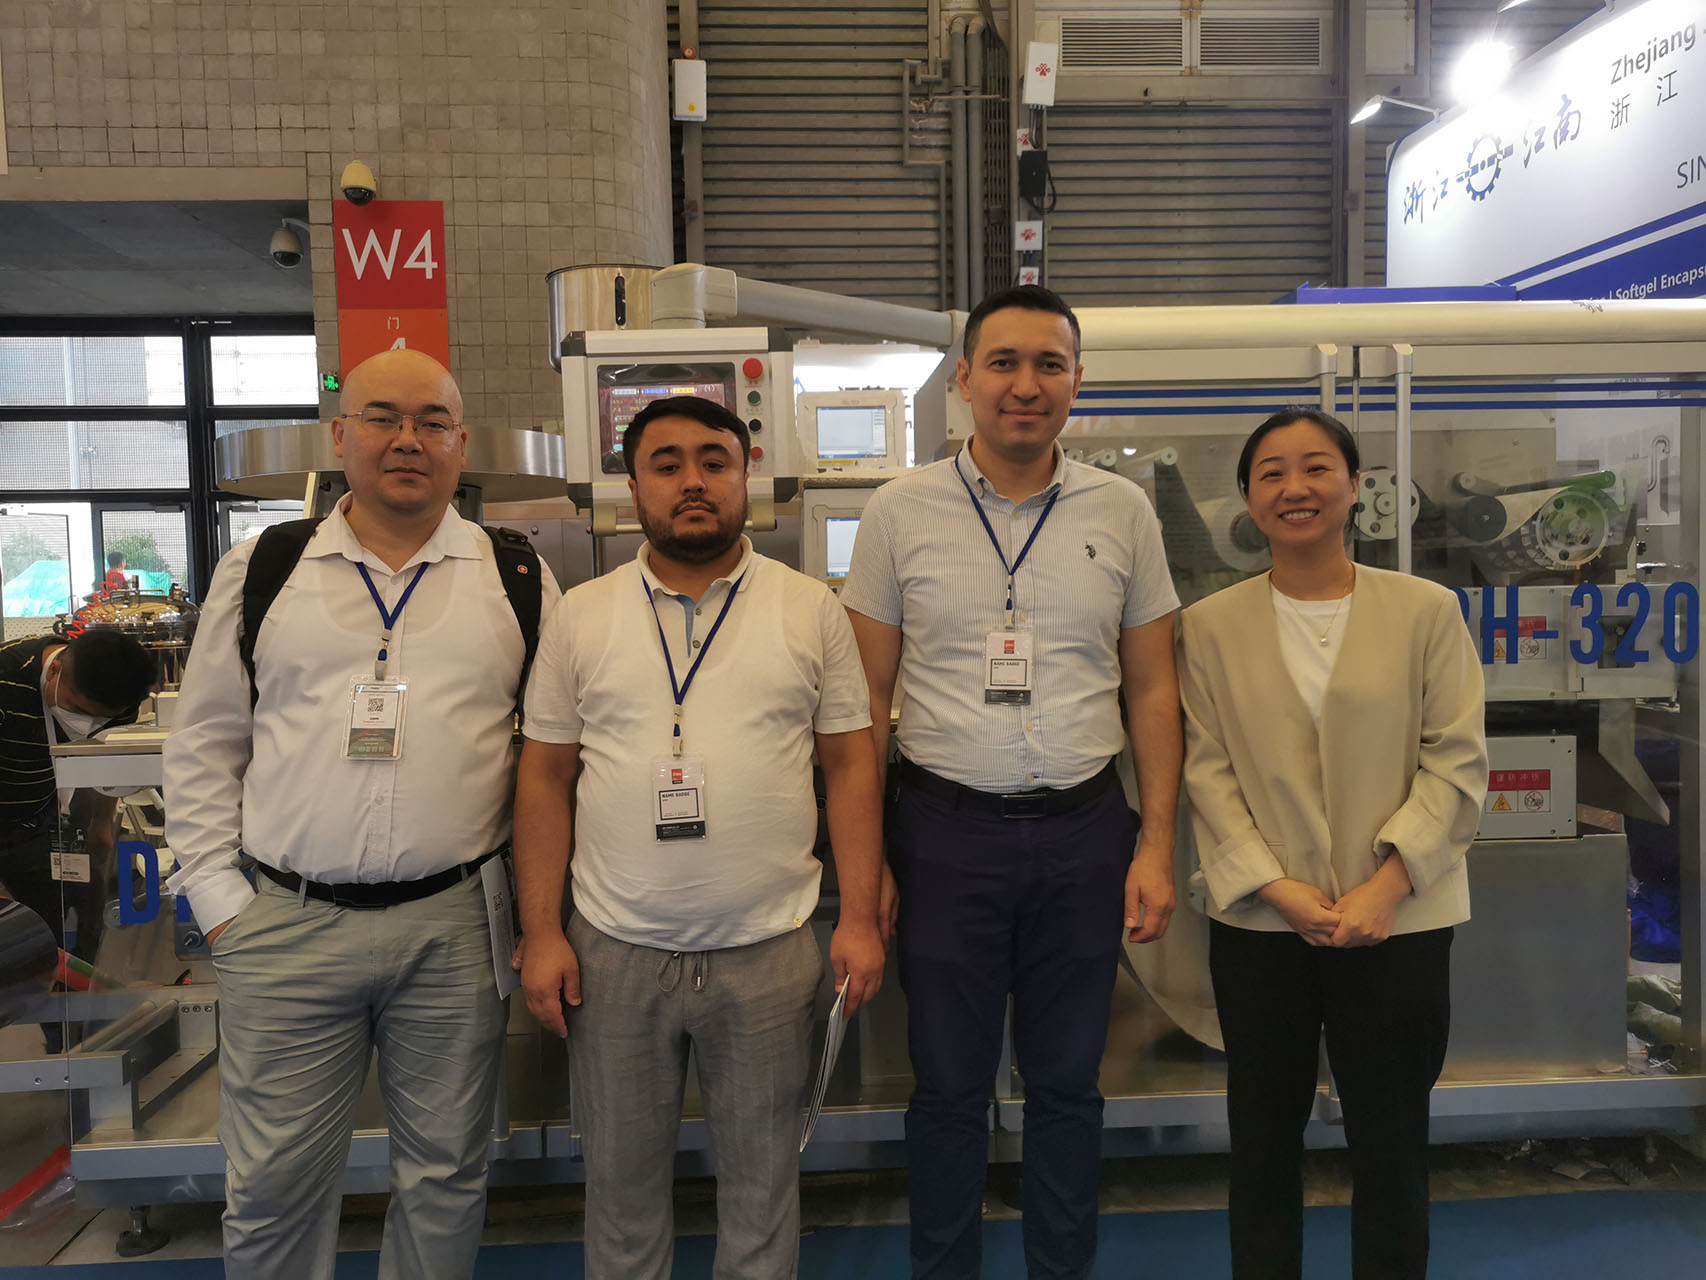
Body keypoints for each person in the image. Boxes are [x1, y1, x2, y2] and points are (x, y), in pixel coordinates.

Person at [164, 348, 559, 1280]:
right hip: (286, 925)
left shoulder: (516, 574)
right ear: (341, 435)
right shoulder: (266, 567)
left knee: (447, 1177)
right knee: (272, 1185)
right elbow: (206, 740)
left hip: (454, 927)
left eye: (432, 422)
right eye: (383, 417)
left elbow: (550, 756)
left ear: (461, 445)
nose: (407, 440)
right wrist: (220, 902)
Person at [840, 284, 1183, 1279]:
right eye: (1003, 362)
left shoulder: (1121, 510)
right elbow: (861, 701)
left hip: (1085, 833)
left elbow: (1153, 690)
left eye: (1048, 364)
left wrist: (1156, 845)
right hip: (943, 836)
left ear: (1076, 381)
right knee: (947, 1088)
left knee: (1068, 1086)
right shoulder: (898, 511)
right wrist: (868, 868)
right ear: (964, 380)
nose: (1025, 385)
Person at [515, 394, 886, 1280]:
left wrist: (861, 918)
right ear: (633, 486)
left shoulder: (809, 609)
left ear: (745, 477)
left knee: (763, 1194)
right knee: (619, 1196)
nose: (693, 481)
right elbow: (544, 777)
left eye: (714, 462)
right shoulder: (581, 615)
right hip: (614, 953)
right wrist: (541, 932)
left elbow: (851, 767)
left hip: (768, 953)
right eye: (667, 463)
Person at [1177, 407, 1488, 1280]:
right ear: (1249, 498)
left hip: (1400, 921)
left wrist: (1386, 887)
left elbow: (1457, 760)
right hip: (1263, 926)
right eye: (1272, 473)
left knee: (1392, 1145)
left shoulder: (1426, 612)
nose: (1296, 488)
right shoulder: (1209, 626)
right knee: (1261, 1142)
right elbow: (1207, 771)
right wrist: (1274, 887)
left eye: (1317, 468)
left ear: (1355, 487)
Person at [0, 629, 156, 968]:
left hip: (43, 816)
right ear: (54, 671)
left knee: (62, 926)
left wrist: (102, 822)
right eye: (78, 710)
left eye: (99, 718)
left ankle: (69, 992)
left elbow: (108, 764)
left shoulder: (119, 693)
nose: (87, 724)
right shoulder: (6, 677)